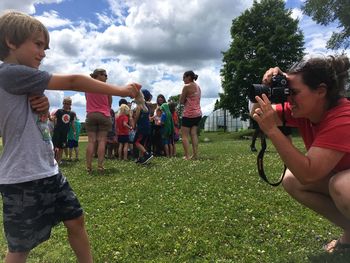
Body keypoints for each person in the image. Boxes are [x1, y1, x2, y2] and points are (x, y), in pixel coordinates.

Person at [0, 11, 140, 263]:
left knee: (76, 219)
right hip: (22, 177)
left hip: (49, 171)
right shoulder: (10, 73)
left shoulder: (22, 80)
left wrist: (42, 105)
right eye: (38, 44)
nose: (43, 52)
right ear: (11, 41)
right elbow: (74, 80)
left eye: (46, 47)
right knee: (21, 247)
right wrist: (122, 89)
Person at [251, 54, 350, 253]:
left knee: (341, 185)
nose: (288, 98)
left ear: (320, 91)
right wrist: (266, 89)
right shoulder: (305, 109)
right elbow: (256, 113)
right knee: (292, 179)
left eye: (293, 92)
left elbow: (309, 173)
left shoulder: (343, 117)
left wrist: (272, 131)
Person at [85, 68, 113, 174]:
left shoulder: (87, 87)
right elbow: (110, 102)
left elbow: (87, 99)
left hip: (91, 114)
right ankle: (100, 166)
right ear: (99, 75)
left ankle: (88, 167)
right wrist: (105, 107)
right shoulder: (106, 87)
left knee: (91, 141)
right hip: (104, 114)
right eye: (105, 75)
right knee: (102, 140)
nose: (106, 77)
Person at [179, 70, 202, 160]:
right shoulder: (198, 87)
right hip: (198, 114)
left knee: (184, 135)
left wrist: (183, 98)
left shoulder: (186, 87)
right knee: (193, 134)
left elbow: (181, 101)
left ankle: (187, 156)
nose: (183, 79)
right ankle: (195, 155)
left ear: (189, 77)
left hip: (188, 114)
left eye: (184, 77)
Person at [52, 97, 76, 164]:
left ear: (70, 104)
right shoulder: (59, 111)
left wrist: (74, 131)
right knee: (54, 146)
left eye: (69, 104)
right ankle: (52, 160)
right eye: (65, 103)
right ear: (63, 103)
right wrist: (51, 118)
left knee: (62, 147)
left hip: (65, 133)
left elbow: (72, 123)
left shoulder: (71, 114)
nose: (67, 105)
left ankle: (58, 160)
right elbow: (54, 118)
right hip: (57, 132)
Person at [133, 89, 153, 164]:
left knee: (136, 142)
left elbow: (137, 117)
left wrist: (134, 124)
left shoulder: (139, 106)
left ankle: (147, 154)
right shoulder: (146, 107)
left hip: (141, 127)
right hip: (147, 127)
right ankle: (141, 158)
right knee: (141, 143)